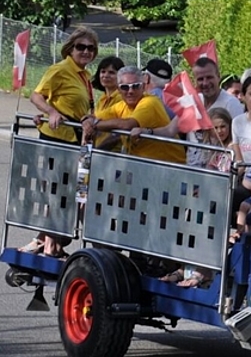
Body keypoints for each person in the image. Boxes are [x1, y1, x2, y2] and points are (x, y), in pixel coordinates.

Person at [20, 27, 99, 258]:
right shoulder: (61, 69)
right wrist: (51, 112)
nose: (85, 51)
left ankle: (49, 242)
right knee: (54, 192)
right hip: (55, 138)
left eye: (90, 48)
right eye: (81, 47)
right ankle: (47, 245)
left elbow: (78, 106)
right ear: (71, 48)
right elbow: (36, 95)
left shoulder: (83, 75)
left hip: (73, 140)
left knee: (64, 192)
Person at [82, 65, 185, 164]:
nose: (130, 91)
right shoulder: (121, 105)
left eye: (135, 86)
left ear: (144, 87)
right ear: (118, 89)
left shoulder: (150, 102)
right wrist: (86, 121)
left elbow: (128, 125)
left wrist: (94, 125)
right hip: (142, 164)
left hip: (169, 166)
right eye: (125, 87)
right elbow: (94, 116)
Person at [91, 55, 125, 150]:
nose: (106, 75)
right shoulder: (102, 99)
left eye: (111, 73)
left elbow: (121, 131)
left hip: (112, 153)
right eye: (103, 72)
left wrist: (100, 149)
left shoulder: (123, 98)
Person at [204, 107, 235, 172]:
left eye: (223, 126)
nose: (219, 131)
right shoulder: (213, 145)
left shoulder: (233, 146)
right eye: (215, 128)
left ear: (230, 125)